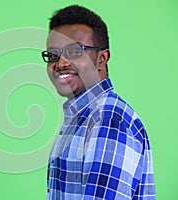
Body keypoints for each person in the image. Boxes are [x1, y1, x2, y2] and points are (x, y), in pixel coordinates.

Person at [41, 5, 155, 200]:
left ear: (102, 58)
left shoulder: (109, 119)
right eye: (53, 55)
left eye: (74, 51)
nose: (60, 64)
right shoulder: (81, 118)